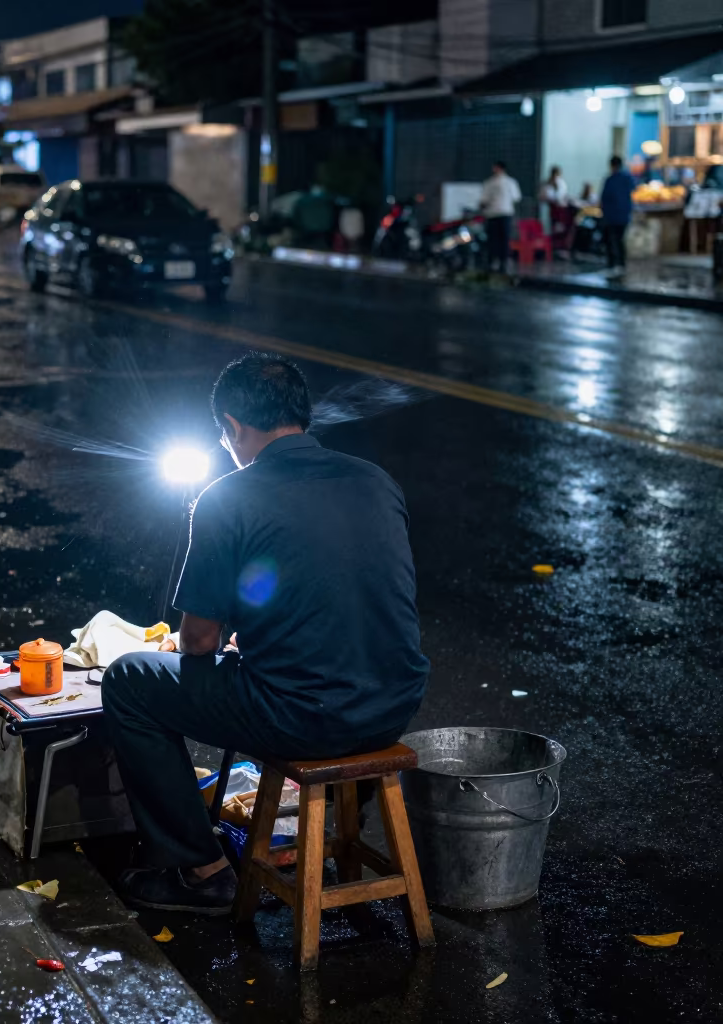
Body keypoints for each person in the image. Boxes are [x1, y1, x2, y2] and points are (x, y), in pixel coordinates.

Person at [101, 353, 430, 914]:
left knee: (130, 679)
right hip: (392, 706)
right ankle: (335, 838)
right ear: (302, 416)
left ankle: (200, 870)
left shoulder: (228, 496)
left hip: (304, 719)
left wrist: (228, 645)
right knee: (327, 677)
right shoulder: (377, 482)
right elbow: (347, 599)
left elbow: (198, 643)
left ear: (231, 427)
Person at [480, 160, 521, 273]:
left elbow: (484, 200)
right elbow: (516, 198)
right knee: (501, 238)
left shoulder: (490, 183)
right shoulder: (510, 182)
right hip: (503, 213)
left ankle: (497, 261)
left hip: (495, 213)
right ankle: (500, 261)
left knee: (496, 239)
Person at [600, 156, 634, 271]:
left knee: (611, 240)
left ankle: (612, 263)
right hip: (624, 215)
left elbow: (604, 198)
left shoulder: (610, 180)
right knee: (620, 240)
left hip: (612, 215)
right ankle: (621, 263)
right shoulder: (627, 178)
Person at [540, 166, 572, 250]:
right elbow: (546, 196)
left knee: (559, 228)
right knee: (556, 228)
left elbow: (562, 195)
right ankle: (556, 247)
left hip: (560, 208)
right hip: (556, 208)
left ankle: (558, 246)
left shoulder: (559, 183)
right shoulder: (550, 184)